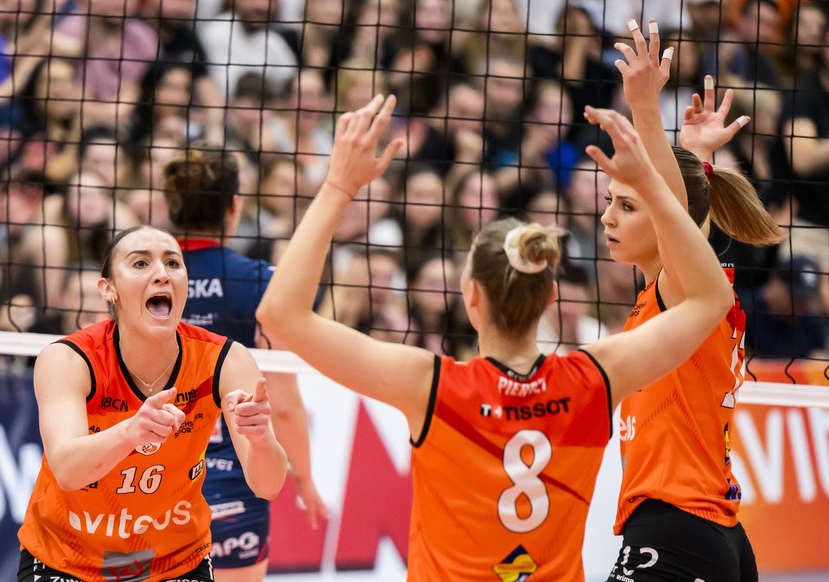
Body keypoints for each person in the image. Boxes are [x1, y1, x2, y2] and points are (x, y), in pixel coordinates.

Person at [256, 94, 733, 580]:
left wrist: (339, 184)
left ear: (471, 297)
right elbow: (710, 298)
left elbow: (280, 313)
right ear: (551, 298)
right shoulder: (594, 378)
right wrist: (656, 181)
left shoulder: (431, 386)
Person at [601, 20, 783, 580]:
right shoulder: (682, 287)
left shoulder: (682, 293)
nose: (608, 217)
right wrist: (697, 154)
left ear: (664, 217)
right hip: (709, 531)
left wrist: (645, 110)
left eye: (628, 206)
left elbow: (673, 208)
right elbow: (682, 212)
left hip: (676, 531)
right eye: (609, 201)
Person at [16, 225, 287, 582]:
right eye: (141, 263)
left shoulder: (225, 359)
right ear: (108, 289)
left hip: (176, 561)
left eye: (173, 263)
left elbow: (267, 485)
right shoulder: (68, 359)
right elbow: (67, 470)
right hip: (65, 558)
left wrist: (259, 438)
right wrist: (131, 431)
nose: (161, 273)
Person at [163, 145, 327, 581]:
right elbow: (285, 403)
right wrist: (305, 477)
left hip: (154, 480)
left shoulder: (141, 279)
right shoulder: (259, 283)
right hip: (236, 484)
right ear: (234, 206)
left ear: (172, 206)